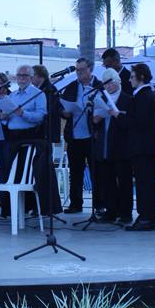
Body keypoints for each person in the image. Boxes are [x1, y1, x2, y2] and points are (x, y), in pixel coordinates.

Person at [0, 64, 50, 217]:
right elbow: (5, 119)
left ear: (31, 77)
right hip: (12, 139)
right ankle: (12, 210)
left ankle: (31, 208)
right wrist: (4, 118)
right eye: (19, 75)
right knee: (10, 175)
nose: (21, 78)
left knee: (27, 177)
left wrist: (22, 113)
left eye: (25, 76)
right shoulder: (12, 96)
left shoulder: (38, 94)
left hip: (29, 139)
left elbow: (40, 116)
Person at [92, 68, 133, 225]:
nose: (108, 87)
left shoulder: (128, 99)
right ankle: (110, 211)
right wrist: (97, 117)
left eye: (111, 83)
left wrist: (116, 114)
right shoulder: (100, 98)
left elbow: (129, 123)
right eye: (105, 84)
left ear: (118, 82)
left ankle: (125, 213)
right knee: (107, 179)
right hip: (104, 144)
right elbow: (95, 120)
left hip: (121, 146)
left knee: (124, 180)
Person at [58, 57, 97, 214]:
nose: (79, 73)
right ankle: (76, 204)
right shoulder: (72, 87)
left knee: (96, 171)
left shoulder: (98, 85)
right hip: (74, 135)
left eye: (82, 70)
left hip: (92, 136)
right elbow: (63, 108)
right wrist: (65, 112)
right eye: (77, 70)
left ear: (90, 69)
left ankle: (99, 204)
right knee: (75, 172)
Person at [125, 63, 155, 231]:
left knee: (145, 184)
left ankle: (147, 217)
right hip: (144, 147)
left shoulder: (144, 96)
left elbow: (139, 122)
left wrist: (119, 116)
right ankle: (145, 215)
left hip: (144, 148)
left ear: (140, 77)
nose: (129, 79)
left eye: (132, 76)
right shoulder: (145, 96)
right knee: (143, 183)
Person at [32, 64, 62, 144]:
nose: (31, 78)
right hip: (41, 131)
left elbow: (48, 110)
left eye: (33, 75)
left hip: (46, 130)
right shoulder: (40, 89)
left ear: (40, 76)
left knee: (43, 154)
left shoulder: (49, 90)